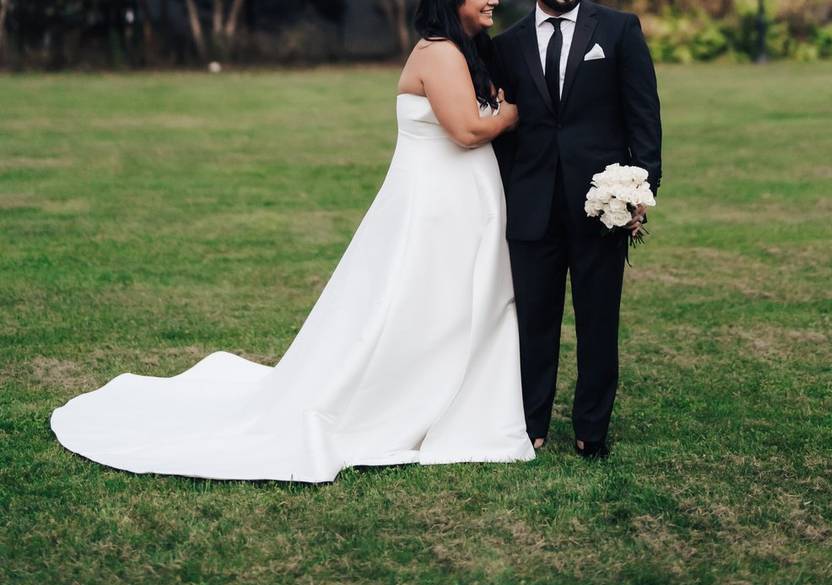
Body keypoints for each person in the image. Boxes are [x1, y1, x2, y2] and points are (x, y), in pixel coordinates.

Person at [50, 0, 535, 484]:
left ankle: (452, 394)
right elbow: (469, 130)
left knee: (450, 306)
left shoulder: (462, 51)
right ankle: (410, 399)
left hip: (458, 206)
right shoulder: (439, 52)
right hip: (436, 209)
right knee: (421, 306)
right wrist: (512, 114)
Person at [487, 0, 663, 458]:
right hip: (531, 206)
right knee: (532, 322)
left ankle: (592, 429)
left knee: (599, 320)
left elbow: (643, 115)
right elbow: (501, 132)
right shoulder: (506, 45)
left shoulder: (620, 29)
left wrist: (640, 193)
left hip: (600, 208)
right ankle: (530, 425)